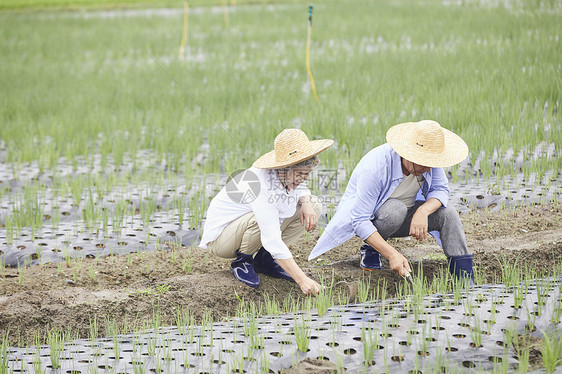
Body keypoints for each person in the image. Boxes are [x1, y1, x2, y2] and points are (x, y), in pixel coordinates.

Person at [309, 120, 474, 284]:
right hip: (377, 219)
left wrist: (423, 211)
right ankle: (373, 247)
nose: (429, 169)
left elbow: (441, 190)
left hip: (407, 216)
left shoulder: (429, 164)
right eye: (424, 162)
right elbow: (359, 220)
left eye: (432, 163)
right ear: (407, 153)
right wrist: (392, 254)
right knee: (396, 209)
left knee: (448, 213)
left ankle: (465, 281)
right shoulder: (376, 167)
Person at [199, 129, 334, 296]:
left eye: (307, 174)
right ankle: (242, 262)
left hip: (244, 229)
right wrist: (302, 280)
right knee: (259, 219)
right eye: (300, 174)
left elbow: (301, 187)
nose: (303, 179)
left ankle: (265, 260)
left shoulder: (287, 177)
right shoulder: (260, 183)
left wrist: (305, 202)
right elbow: (271, 237)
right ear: (283, 168)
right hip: (222, 239)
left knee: (313, 205)